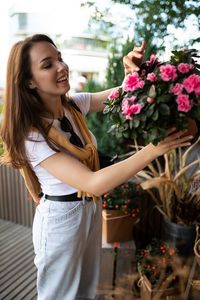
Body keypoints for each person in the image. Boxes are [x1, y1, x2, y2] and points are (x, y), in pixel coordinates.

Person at [0, 34, 193, 300]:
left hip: (88, 209)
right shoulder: (32, 135)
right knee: (60, 295)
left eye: (60, 58)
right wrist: (155, 149)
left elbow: (123, 93)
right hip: (61, 219)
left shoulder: (73, 106)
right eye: (47, 64)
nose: (61, 67)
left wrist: (131, 71)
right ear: (29, 82)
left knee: (86, 290)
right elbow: (93, 182)